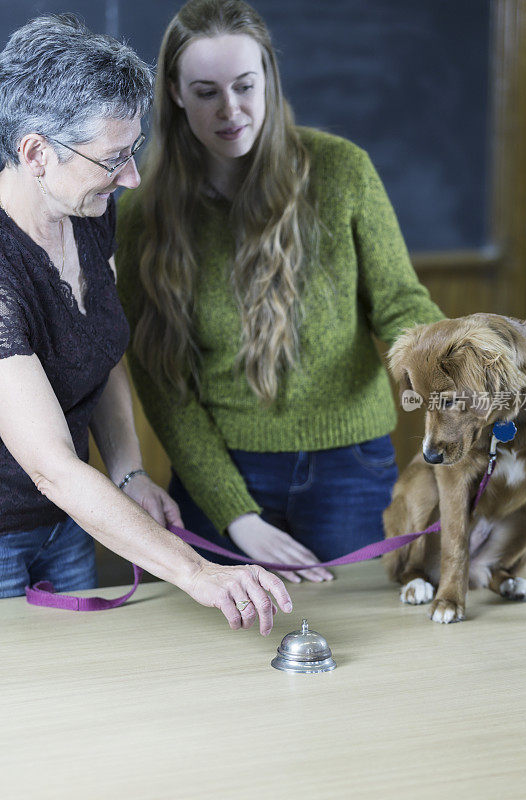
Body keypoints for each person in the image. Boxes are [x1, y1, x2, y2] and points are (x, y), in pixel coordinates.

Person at [116, 0, 445, 584]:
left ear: (269, 75)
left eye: (245, 85)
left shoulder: (343, 171)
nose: (231, 110)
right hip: (221, 470)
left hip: (351, 468)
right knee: (225, 653)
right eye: (205, 91)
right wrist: (234, 514)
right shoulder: (145, 213)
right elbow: (164, 385)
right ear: (173, 92)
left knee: (367, 640)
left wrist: (450, 379)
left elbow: (401, 306)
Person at [0, 13, 292, 635]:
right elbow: (49, 465)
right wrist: (197, 573)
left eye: (134, 151)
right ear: (35, 152)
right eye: (113, 159)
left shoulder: (88, 208)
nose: (132, 176)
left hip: (72, 521)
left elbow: (101, 354)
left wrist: (129, 471)